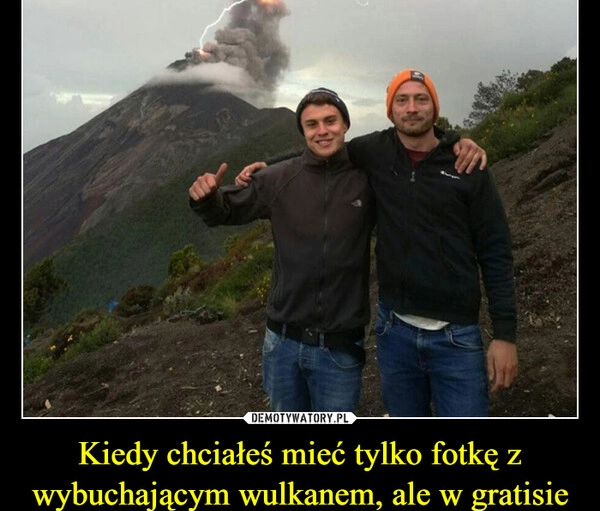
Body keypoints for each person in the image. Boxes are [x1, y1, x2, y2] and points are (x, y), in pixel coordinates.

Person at [237, 70, 516, 417]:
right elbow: (325, 151)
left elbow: (495, 251)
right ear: (390, 109)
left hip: (456, 336)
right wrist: (268, 169)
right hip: (394, 331)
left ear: (434, 106)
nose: (411, 108)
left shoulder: (466, 165)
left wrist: (505, 335)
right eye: (402, 100)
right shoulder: (376, 152)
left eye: (420, 99)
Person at [188, 88, 375, 413]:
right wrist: (205, 198)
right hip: (282, 344)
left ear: (345, 124)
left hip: (340, 346)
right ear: (303, 131)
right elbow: (226, 210)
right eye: (312, 124)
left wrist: (456, 145)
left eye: (330, 121)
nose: (323, 130)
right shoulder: (278, 179)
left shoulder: (368, 180)